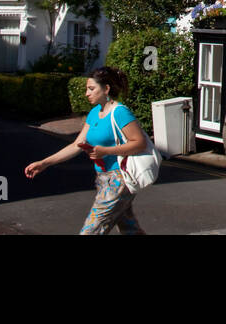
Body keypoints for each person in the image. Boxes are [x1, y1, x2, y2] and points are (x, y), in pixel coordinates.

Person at [25, 67, 149, 234]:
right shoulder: (94, 113)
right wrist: (44, 163)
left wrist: (106, 151)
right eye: (86, 89)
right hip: (103, 179)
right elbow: (76, 144)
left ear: (106, 89)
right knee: (129, 228)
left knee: (91, 230)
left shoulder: (120, 112)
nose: (86, 93)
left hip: (119, 180)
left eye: (91, 89)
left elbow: (139, 143)